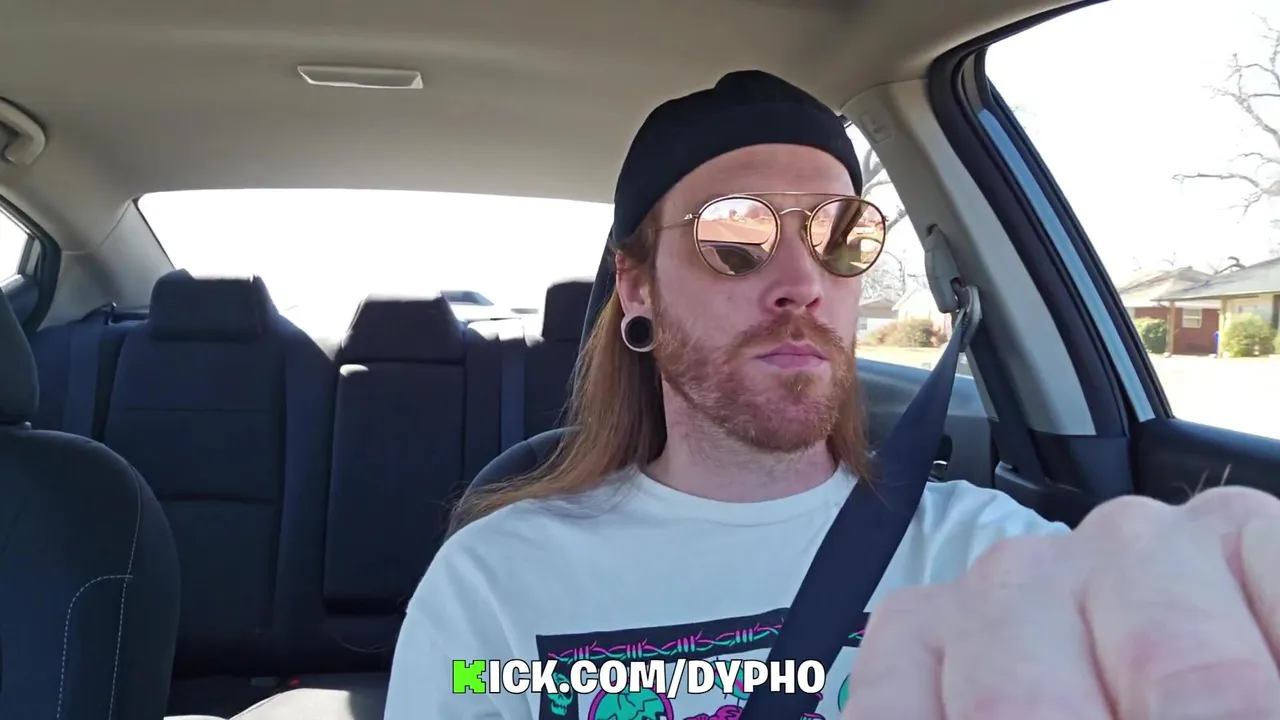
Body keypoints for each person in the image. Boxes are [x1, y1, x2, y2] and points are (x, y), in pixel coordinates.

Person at [384, 70, 1280, 720]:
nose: (802, 284)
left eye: (839, 233)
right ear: (637, 285)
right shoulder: (496, 585)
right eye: (735, 236)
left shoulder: (986, 553)